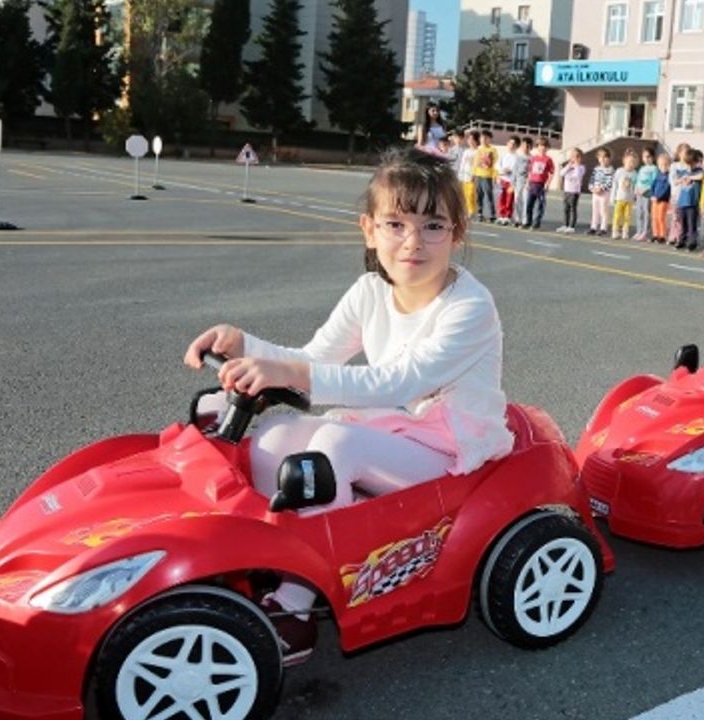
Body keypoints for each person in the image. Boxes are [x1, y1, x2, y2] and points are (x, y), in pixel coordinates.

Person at [183, 148, 514, 664]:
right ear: (369, 230)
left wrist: (290, 374)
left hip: (451, 446)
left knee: (334, 446)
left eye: (433, 225)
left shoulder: (470, 306)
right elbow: (314, 358)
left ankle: (298, 605)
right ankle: (283, 559)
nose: (413, 241)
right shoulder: (369, 292)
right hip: (396, 429)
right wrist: (244, 344)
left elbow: (399, 380)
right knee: (274, 437)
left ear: (457, 234)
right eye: (395, 224)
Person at [674, 148, 704, 251]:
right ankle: (682, 240)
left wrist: (690, 178)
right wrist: (682, 179)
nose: (690, 166)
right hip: (682, 202)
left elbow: (701, 176)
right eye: (688, 164)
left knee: (692, 224)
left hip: (692, 203)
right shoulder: (683, 172)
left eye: (692, 164)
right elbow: (675, 181)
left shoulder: (698, 171)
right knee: (683, 223)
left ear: (696, 162)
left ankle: (692, 242)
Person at [525, 138, 556, 230]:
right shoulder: (533, 158)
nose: (542, 148)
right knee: (529, 204)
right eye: (541, 146)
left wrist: (547, 184)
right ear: (537, 147)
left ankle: (537, 223)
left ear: (547, 148)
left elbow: (551, 173)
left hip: (541, 184)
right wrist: (527, 183)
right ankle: (528, 221)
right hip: (532, 183)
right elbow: (530, 171)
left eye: (545, 146)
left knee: (541, 205)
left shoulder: (548, 159)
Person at [556, 147, 587, 233]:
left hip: (574, 191)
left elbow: (577, 175)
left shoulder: (581, 167)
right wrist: (569, 165)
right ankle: (565, 224)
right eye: (572, 156)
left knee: (573, 208)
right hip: (567, 190)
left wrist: (576, 165)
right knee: (566, 209)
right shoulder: (569, 166)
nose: (574, 158)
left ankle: (572, 226)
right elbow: (561, 173)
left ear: (580, 158)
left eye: (577, 156)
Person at [472, 130, 499, 222]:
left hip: (487, 176)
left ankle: (492, 214)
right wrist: (473, 174)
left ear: (490, 139)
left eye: (486, 138)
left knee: (488, 195)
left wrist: (495, 175)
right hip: (478, 175)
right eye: (482, 138)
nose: (483, 140)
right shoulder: (478, 149)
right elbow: (475, 163)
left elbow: (495, 164)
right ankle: (480, 213)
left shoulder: (493, 150)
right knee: (479, 195)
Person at [611, 149, 638, 239]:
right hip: (619, 198)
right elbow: (615, 184)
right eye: (630, 161)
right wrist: (613, 197)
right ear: (624, 161)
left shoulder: (635, 173)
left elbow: (635, 186)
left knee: (627, 217)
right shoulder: (619, 171)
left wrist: (635, 197)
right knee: (617, 216)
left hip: (629, 200)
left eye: (634, 162)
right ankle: (615, 231)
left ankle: (625, 231)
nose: (632, 164)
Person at [632, 146, 658, 241]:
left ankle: (645, 232)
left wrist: (645, 189)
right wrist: (636, 189)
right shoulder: (642, 168)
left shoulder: (654, 168)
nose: (646, 159)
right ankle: (639, 231)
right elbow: (638, 180)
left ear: (653, 157)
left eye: (648, 156)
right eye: (644, 157)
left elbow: (654, 182)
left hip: (647, 194)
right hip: (639, 193)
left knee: (646, 212)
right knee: (639, 212)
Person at [587, 148, 615, 236]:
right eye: (600, 157)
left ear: (609, 158)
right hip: (595, 193)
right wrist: (592, 188)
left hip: (604, 193)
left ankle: (603, 228)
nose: (602, 159)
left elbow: (610, 183)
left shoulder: (610, 170)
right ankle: (593, 227)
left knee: (604, 210)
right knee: (595, 210)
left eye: (605, 157)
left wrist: (601, 189)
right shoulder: (596, 169)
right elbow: (592, 180)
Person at [495, 136, 520, 225]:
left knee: (509, 199)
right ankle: (501, 215)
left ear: (517, 146)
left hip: (511, 182)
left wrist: (511, 171)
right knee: (501, 198)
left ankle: (507, 216)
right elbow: (497, 165)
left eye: (514, 144)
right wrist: (502, 170)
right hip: (503, 179)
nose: (511, 145)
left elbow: (517, 169)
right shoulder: (503, 155)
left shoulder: (517, 157)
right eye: (510, 143)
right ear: (507, 144)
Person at [649, 152, 672, 243]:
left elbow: (667, 188)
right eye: (661, 165)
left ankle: (662, 235)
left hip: (663, 200)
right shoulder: (658, 175)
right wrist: (652, 195)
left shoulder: (668, 176)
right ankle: (655, 234)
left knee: (661, 217)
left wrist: (659, 197)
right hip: (655, 199)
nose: (663, 167)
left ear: (669, 165)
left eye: (666, 165)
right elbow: (653, 185)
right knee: (654, 217)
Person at [457, 131, 478, 219]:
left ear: (476, 140)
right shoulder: (466, 151)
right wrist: (460, 175)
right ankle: (466, 210)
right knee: (464, 194)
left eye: (472, 139)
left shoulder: (478, 151)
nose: (470, 141)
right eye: (469, 139)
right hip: (464, 175)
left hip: (472, 175)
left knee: (471, 194)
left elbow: (477, 165)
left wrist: (474, 175)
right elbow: (462, 164)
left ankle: (472, 211)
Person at [511, 139, 532, 227]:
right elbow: (514, 170)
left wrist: (529, 182)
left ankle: (524, 221)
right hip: (518, 181)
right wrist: (513, 182)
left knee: (525, 201)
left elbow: (531, 172)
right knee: (517, 200)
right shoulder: (518, 157)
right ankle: (517, 219)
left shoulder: (532, 158)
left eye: (527, 146)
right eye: (523, 145)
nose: (525, 148)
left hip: (527, 182)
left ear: (530, 147)